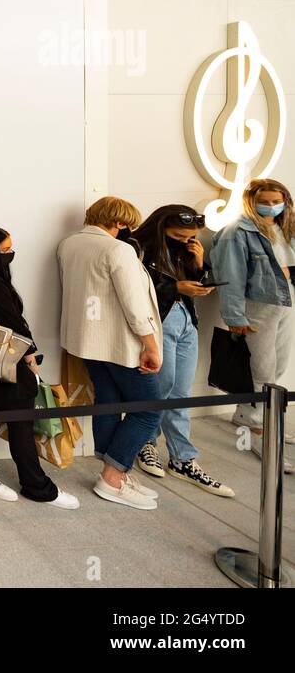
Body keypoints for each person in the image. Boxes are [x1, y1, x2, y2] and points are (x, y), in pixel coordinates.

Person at [0, 226, 79, 509]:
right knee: (21, 422)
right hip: (7, 360)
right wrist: (30, 356)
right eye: (5, 250)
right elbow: (13, 322)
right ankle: (37, 486)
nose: (11, 254)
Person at [57, 197, 164, 510]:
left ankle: (112, 469)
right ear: (118, 222)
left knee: (108, 401)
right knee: (148, 409)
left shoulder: (68, 244)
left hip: (87, 342)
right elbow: (134, 303)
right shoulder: (118, 250)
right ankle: (113, 477)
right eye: (125, 223)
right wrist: (150, 344)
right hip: (120, 343)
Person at [129, 206, 234, 495]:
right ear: (160, 227)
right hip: (158, 324)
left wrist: (199, 264)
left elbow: (193, 282)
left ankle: (183, 459)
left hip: (187, 321)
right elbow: (135, 290)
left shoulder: (184, 249)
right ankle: (146, 444)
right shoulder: (136, 248)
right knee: (160, 389)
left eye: (189, 236)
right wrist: (176, 287)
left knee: (181, 393)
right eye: (178, 235)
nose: (183, 239)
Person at [212, 179, 295, 473]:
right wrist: (235, 317)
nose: (272, 206)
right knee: (262, 372)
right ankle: (259, 431)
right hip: (256, 306)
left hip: (283, 302)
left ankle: (249, 415)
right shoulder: (237, 232)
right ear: (252, 200)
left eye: (278, 200)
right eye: (267, 200)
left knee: (280, 364)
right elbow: (230, 276)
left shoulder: (285, 229)